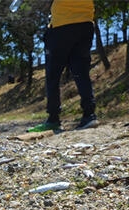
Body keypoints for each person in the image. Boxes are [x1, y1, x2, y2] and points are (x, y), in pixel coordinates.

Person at [28, 0, 98, 132]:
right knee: (81, 72)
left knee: (53, 74)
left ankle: (53, 118)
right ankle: (89, 115)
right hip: (86, 23)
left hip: (62, 24)